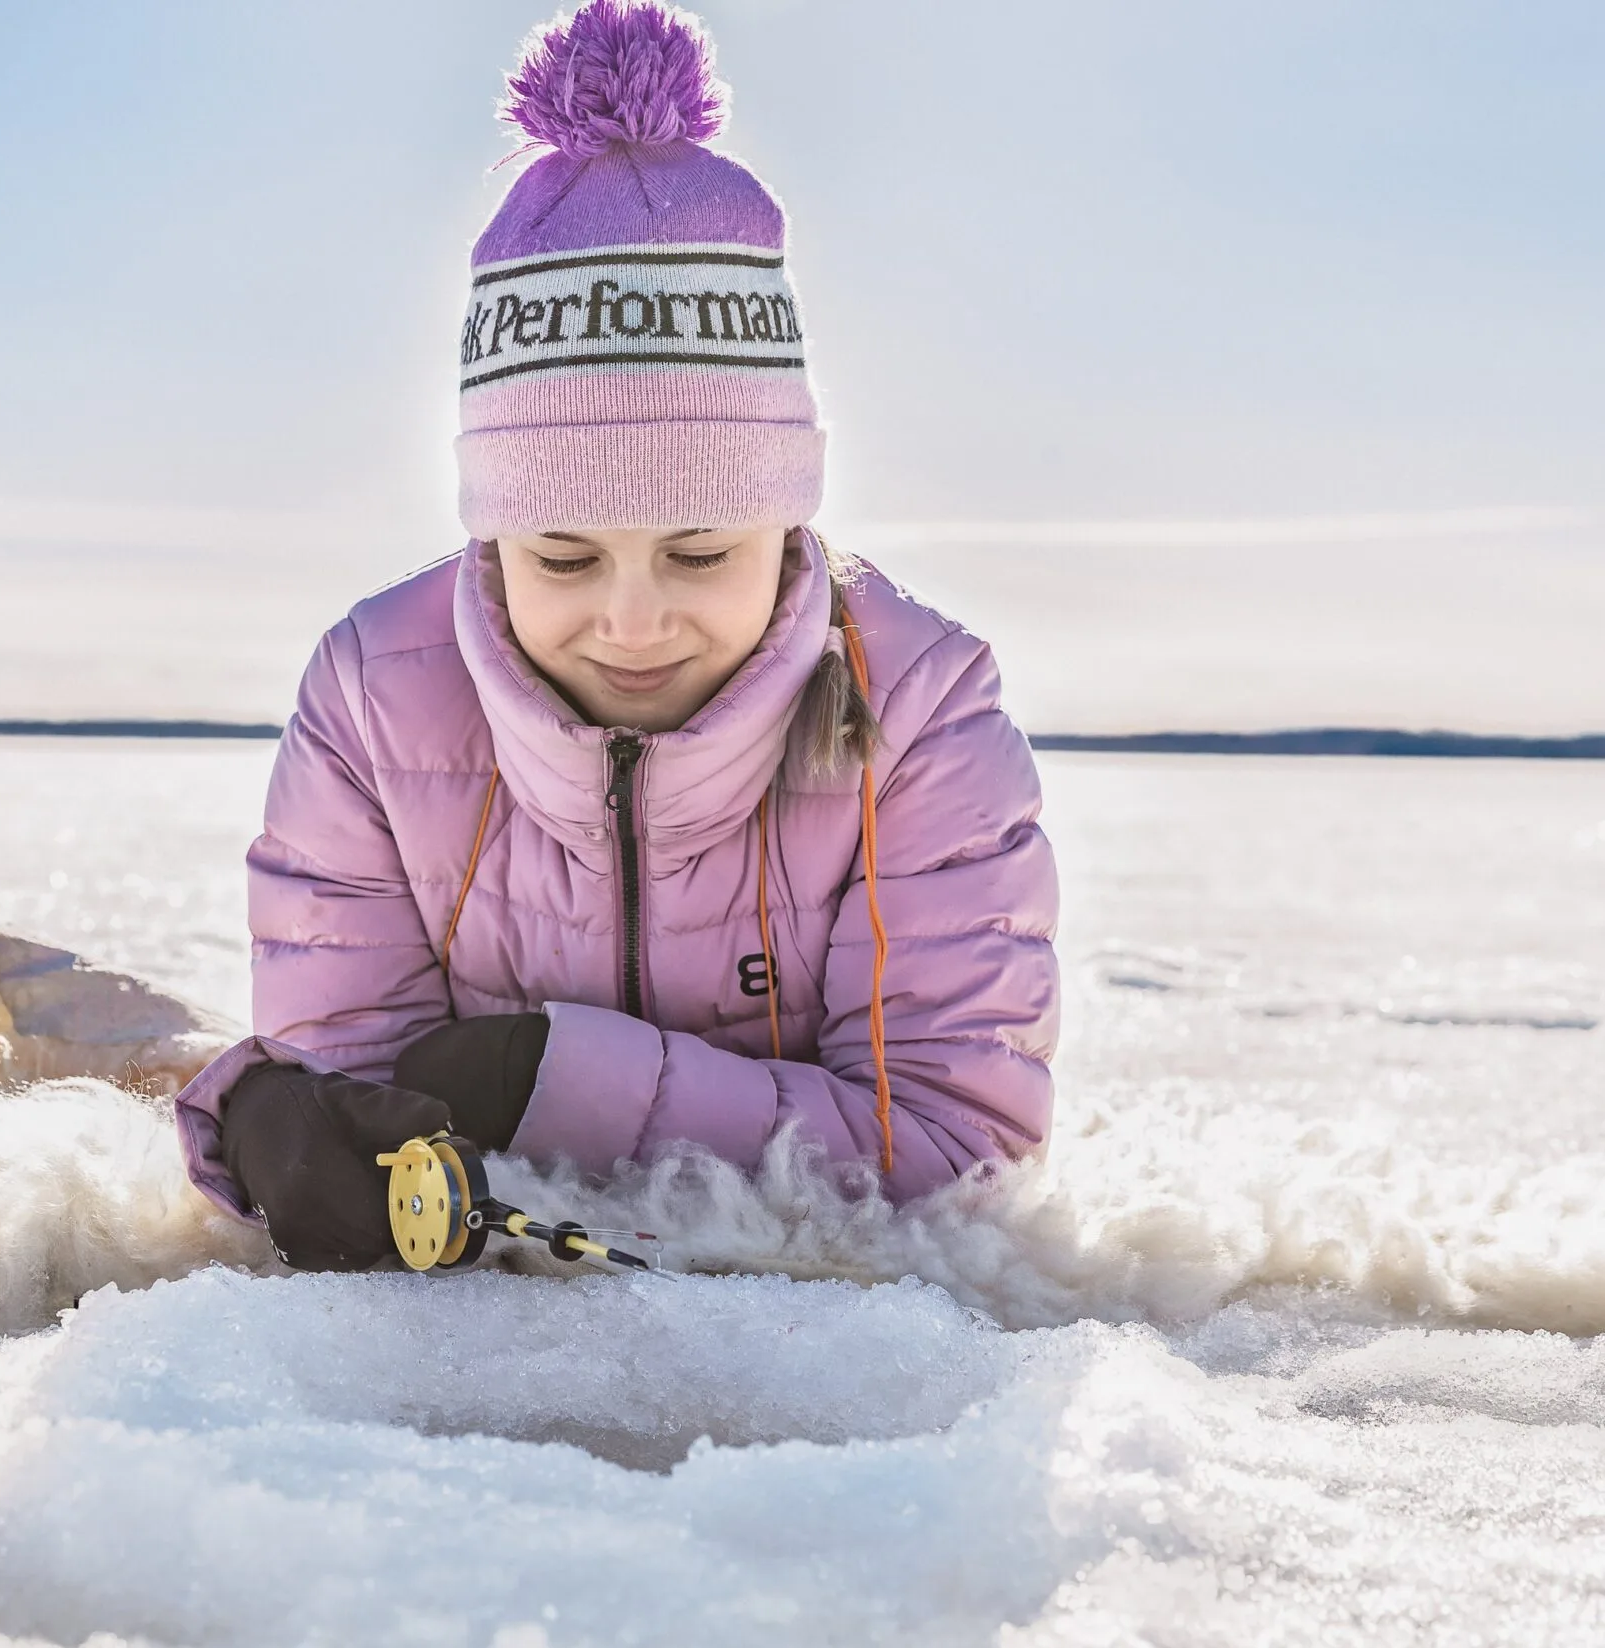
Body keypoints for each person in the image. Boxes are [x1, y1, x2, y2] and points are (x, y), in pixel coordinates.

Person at [173, 0, 1059, 1271]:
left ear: (790, 526)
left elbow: (956, 1154)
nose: (633, 622)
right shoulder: (374, 695)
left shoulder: (916, 711)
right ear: (489, 539)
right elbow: (359, 1082)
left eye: (701, 553)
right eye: (563, 555)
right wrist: (295, 1129)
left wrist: (556, 1081)